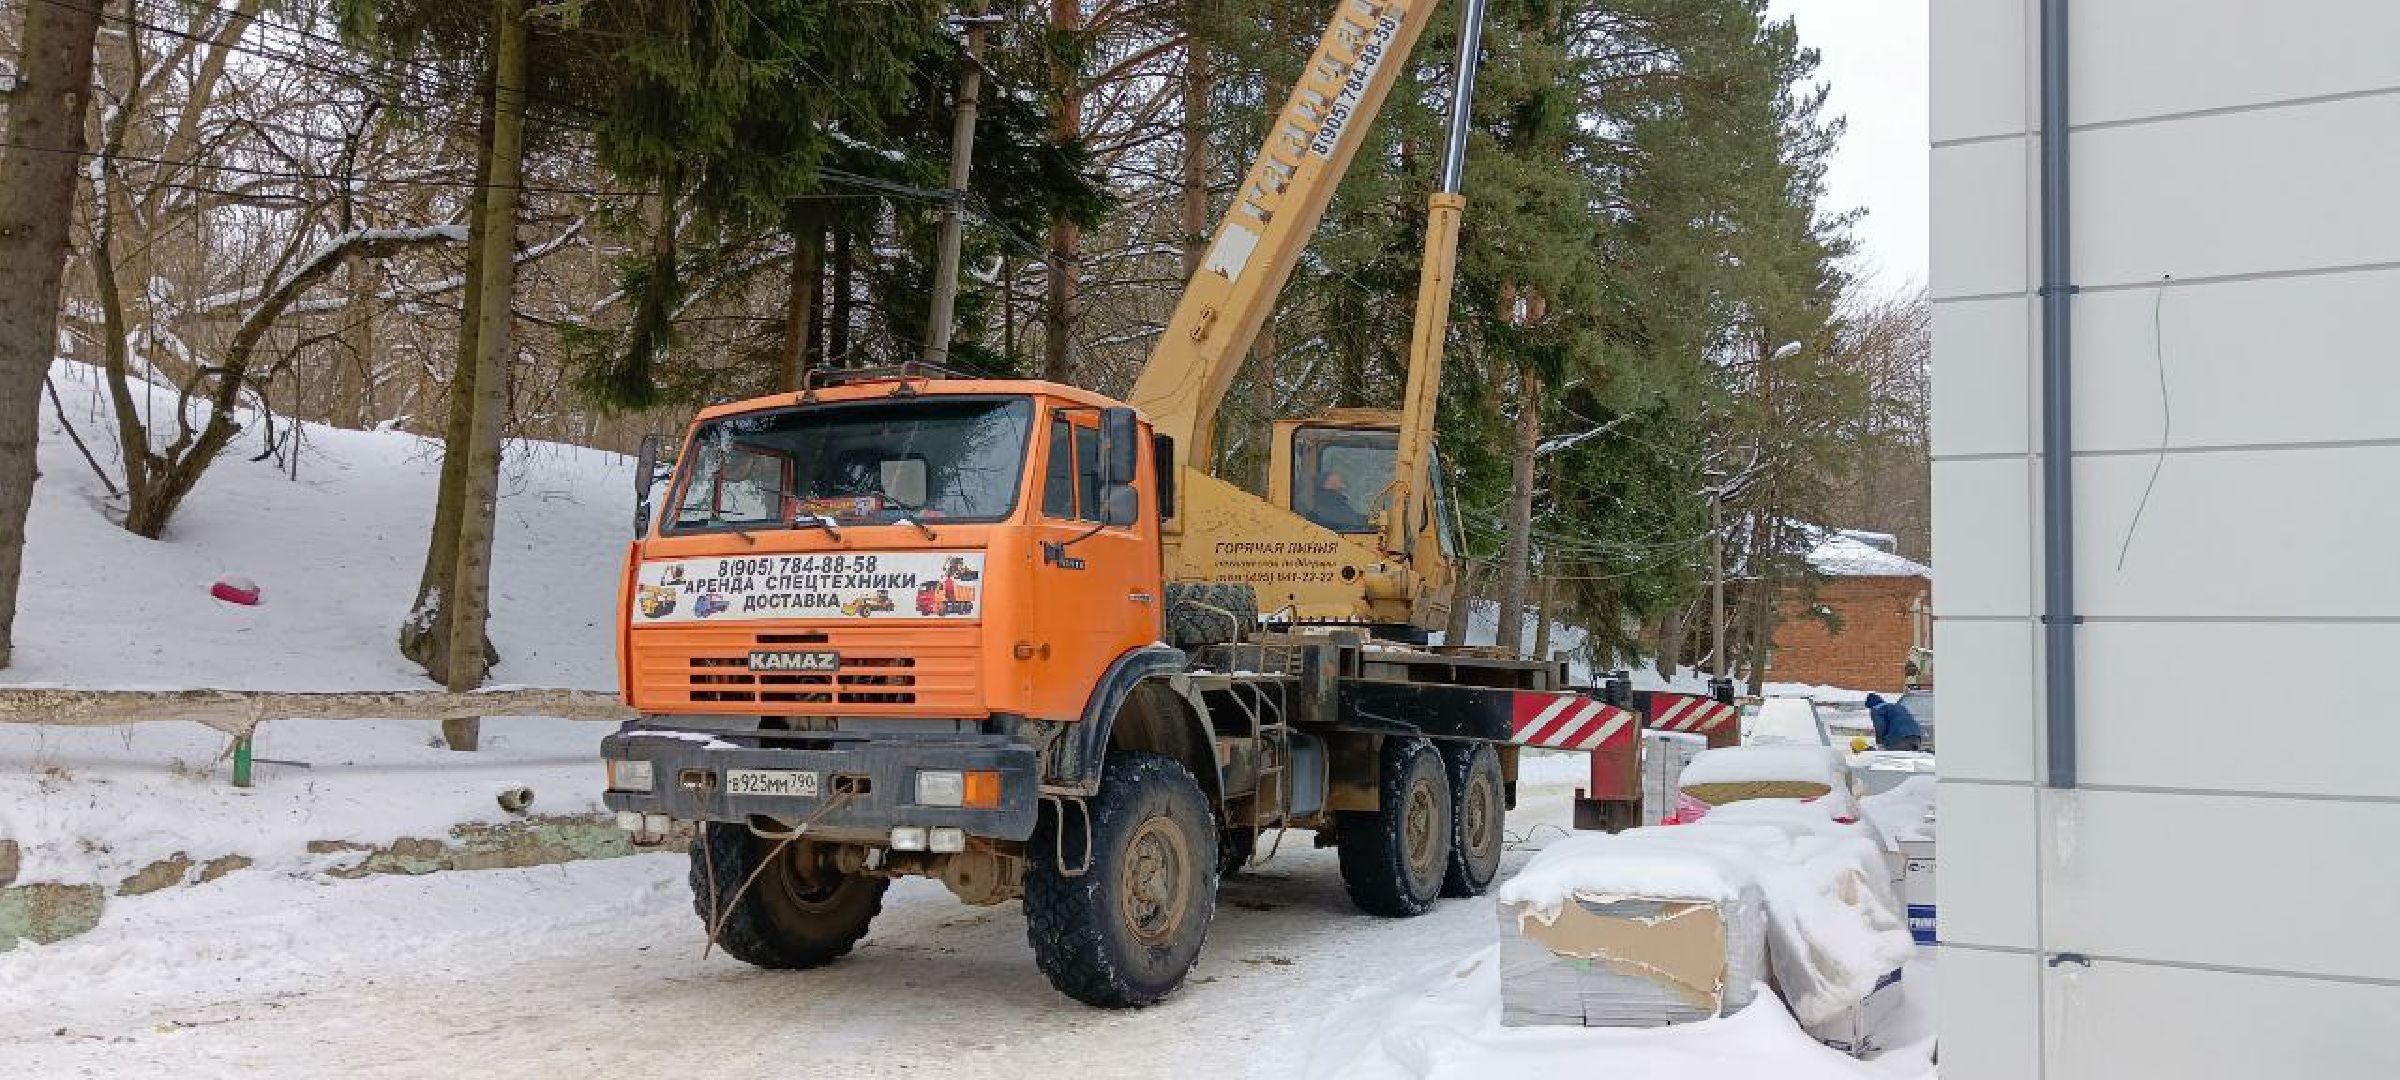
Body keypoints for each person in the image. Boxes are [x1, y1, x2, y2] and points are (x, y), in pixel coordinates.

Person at [1311, 468, 1369, 532]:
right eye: (1340, 481)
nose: (1343, 485)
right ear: (1329, 484)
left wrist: (1369, 519)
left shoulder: (1335, 501)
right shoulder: (1329, 503)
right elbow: (1349, 522)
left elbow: (1352, 517)